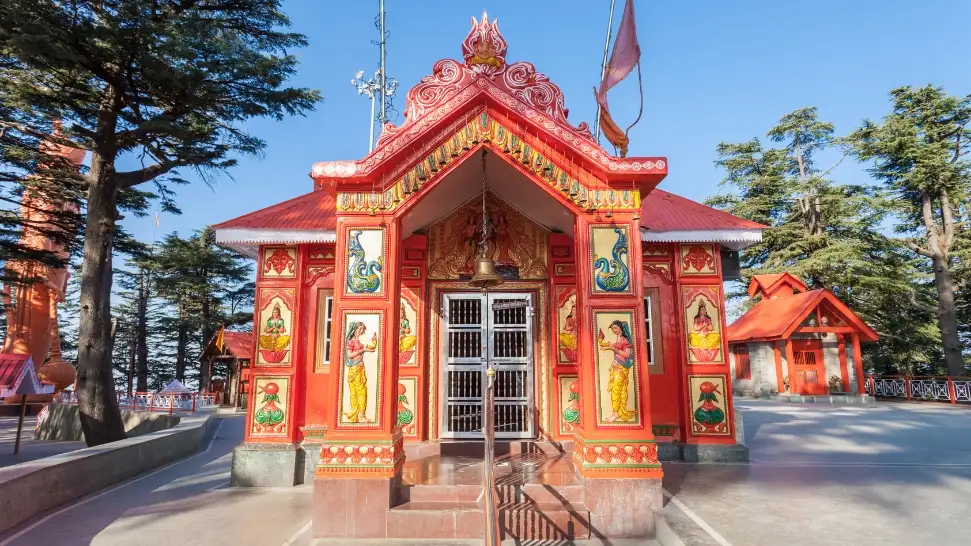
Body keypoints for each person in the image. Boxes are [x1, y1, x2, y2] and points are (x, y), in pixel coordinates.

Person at [598, 320, 636, 423]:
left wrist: (612, 348)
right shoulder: (619, 339)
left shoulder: (624, 340)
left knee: (617, 390)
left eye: (615, 328)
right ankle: (617, 412)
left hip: (621, 369)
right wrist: (606, 346)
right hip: (616, 368)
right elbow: (613, 346)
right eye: (613, 328)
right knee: (618, 390)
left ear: (621, 329)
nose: (614, 330)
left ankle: (616, 413)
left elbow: (627, 354)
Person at [344, 321, 376, 423]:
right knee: (358, 392)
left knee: (361, 391)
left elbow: (370, 350)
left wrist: (374, 342)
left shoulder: (359, 342)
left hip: (360, 368)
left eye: (362, 329)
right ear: (354, 329)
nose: (360, 331)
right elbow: (349, 355)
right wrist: (363, 350)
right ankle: (358, 415)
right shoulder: (351, 341)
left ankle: (360, 414)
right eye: (359, 329)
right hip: (354, 368)